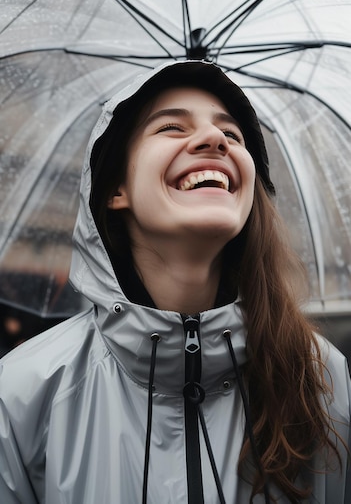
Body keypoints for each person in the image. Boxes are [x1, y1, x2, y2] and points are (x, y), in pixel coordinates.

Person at [0, 60, 350, 504]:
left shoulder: (321, 377)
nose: (214, 139)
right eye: (170, 128)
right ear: (114, 190)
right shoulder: (22, 390)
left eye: (233, 134)